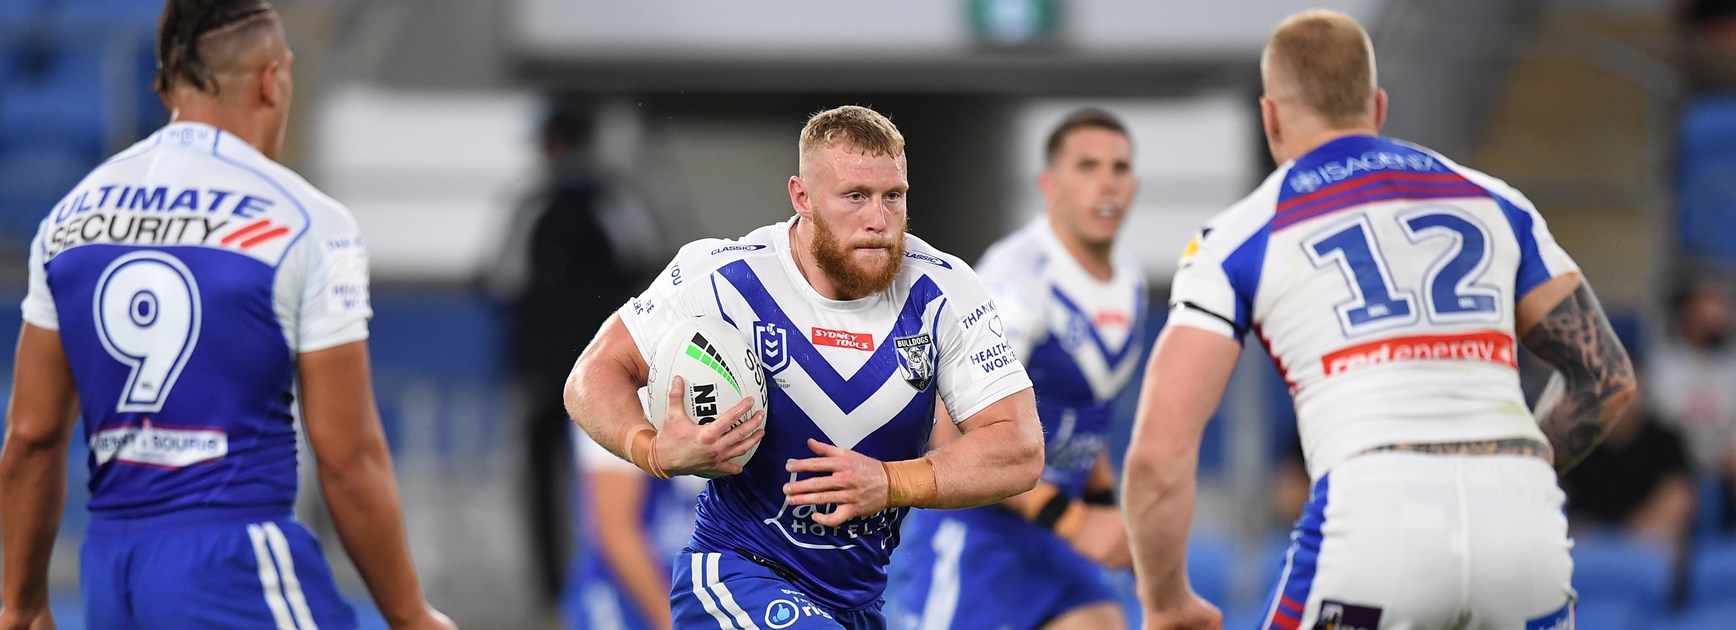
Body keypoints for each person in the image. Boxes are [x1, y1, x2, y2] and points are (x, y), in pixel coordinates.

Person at [1121, 10, 1637, 629]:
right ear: (1379, 106)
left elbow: (1158, 452)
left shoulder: (1236, 237)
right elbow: (1607, 378)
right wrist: (1504, 475)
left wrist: (1165, 601)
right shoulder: (1497, 202)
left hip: (1375, 515)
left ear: (1270, 118)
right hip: (1525, 527)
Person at [0, 2, 454, 628]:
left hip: (113, 571)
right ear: (274, 79)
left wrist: (21, 606)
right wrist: (409, 615)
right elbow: (349, 459)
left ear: (164, 89)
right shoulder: (304, 221)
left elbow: (31, 436)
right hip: (234, 561)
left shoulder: (68, 221)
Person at [563, 105, 1044, 629]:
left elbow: (1018, 449)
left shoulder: (945, 291)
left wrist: (890, 481)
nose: (878, 220)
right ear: (802, 197)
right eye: (855, 196)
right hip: (736, 575)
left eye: (893, 197)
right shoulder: (723, 277)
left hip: (857, 602)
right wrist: (649, 449)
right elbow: (593, 374)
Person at [893, 108, 1146, 630]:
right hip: (979, 535)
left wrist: (1102, 506)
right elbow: (948, 429)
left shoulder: (1131, 285)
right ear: (1049, 184)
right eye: (1088, 166)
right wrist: (1075, 521)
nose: (1107, 183)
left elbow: (1086, 418)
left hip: (1056, 532)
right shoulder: (1015, 279)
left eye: (1120, 168)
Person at [563, 424, 705, 630]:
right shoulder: (620, 399)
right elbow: (614, 526)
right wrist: (671, 619)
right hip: (625, 597)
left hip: (694, 584)